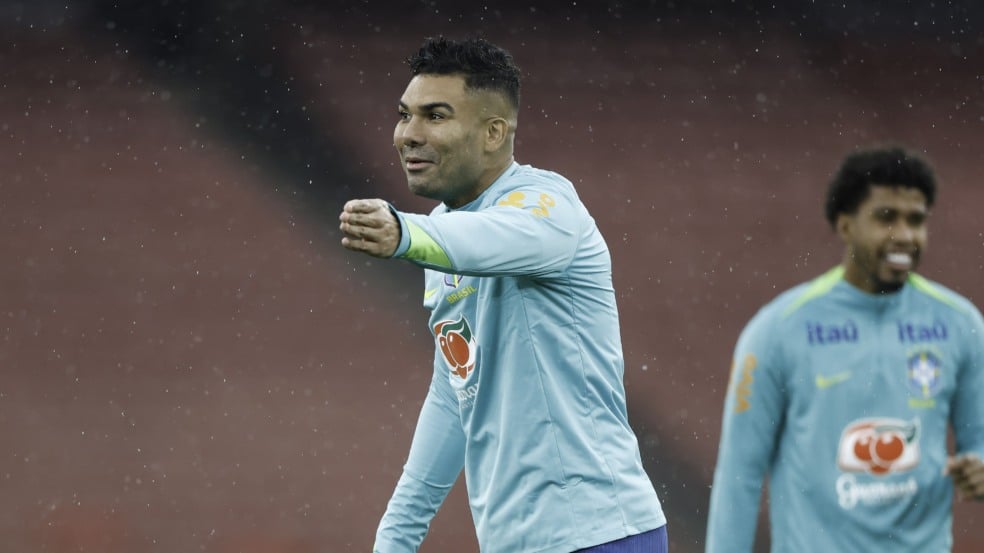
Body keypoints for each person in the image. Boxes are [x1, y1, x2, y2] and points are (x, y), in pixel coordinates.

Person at [338, 37, 668, 553]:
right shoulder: (445, 232)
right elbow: (455, 393)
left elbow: (496, 239)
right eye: (404, 115)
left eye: (435, 116)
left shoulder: (548, 206)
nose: (408, 135)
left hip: (598, 534)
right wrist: (397, 536)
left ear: (494, 133)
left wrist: (406, 235)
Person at [705, 146, 984, 552]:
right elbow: (738, 475)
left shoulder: (961, 324)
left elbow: (980, 441)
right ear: (845, 224)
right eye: (886, 217)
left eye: (916, 220)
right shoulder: (779, 330)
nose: (905, 235)